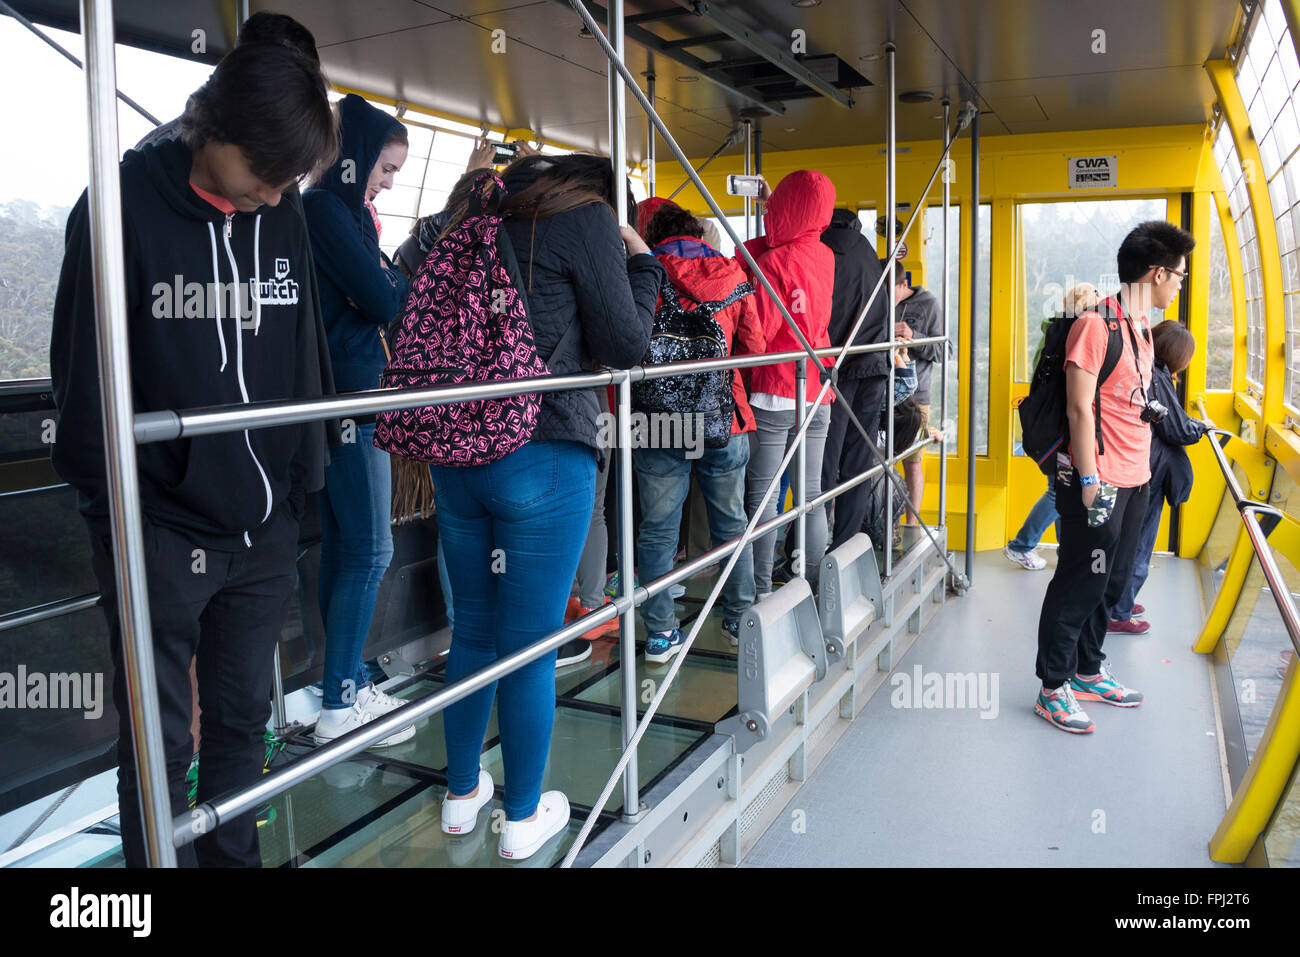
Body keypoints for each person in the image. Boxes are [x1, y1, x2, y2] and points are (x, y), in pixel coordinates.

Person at [49, 42, 338, 866]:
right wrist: (122, 523)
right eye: (266, 176)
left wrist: (294, 488)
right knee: (159, 742)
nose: (275, 198)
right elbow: (82, 386)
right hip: (161, 532)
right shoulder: (117, 209)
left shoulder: (278, 210)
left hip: (262, 528)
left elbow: (299, 349)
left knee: (247, 721)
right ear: (215, 127)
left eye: (287, 183)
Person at [432, 153, 663, 860]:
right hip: (542, 449)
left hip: (456, 450)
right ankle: (523, 817)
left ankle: (461, 793)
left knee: (472, 630)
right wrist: (644, 264)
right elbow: (628, 345)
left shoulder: (476, 209)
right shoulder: (586, 219)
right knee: (529, 645)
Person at [1034, 220, 1194, 734]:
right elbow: (1080, 410)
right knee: (1080, 581)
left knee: (1113, 581)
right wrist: (1088, 482)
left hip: (1135, 475)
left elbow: (1124, 397)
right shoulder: (1095, 325)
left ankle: (1087, 668)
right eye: (1179, 275)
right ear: (1156, 272)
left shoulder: (1141, 327)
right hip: (1097, 479)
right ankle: (1053, 686)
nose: (1181, 283)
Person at [303, 94, 415, 748]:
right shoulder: (326, 211)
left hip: (344, 395)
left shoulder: (339, 213)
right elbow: (382, 297)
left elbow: (376, 292)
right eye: (385, 165)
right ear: (358, 154)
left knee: (346, 547)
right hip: (354, 398)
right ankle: (342, 702)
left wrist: (380, 282)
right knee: (372, 548)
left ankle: (335, 685)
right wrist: (386, 281)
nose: (388, 180)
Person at [634, 201, 764, 662]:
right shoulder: (731, 275)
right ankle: (739, 618)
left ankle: (661, 633)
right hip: (723, 418)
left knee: (657, 530)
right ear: (699, 234)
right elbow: (756, 346)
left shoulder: (642, 274)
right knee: (731, 522)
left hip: (657, 421)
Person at [740, 171, 837, 598]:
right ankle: (813, 585)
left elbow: (759, 333)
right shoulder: (826, 256)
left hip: (773, 390)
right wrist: (769, 209)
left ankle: (761, 591)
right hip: (818, 389)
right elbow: (777, 244)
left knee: (763, 498)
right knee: (810, 495)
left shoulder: (773, 262)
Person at [1107, 321, 1209, 634]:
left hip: (1136, 466)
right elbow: (1176, 429)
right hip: (1148, 472)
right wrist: (1201, 428)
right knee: (1138, 545)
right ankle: (1118, 612)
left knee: (1127, 541)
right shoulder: (1159, 378)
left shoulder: (1143, 368)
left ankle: (1118, 600)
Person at [1004, 282, 1100, 571]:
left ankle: (1065, 550)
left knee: (1062, 488)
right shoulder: (1074, 334)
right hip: (1063, 429)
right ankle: (1021, 545)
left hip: (1052, 426)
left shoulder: (1055, 331)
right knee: (1058, 492)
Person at [820, 208, 890, 554]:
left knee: (823, 462)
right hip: (875, 365)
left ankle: (805, 550)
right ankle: (845, 549)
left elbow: (826, 313)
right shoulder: (867, 251)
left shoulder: (822, 252)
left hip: (838, 369)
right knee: (858, 463)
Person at [889, 261, 944, 520]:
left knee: (912, 462)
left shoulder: (928, 304)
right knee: (876, 463)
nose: (889, 298)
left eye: (893, 291)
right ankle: (881, 519)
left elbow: (943, 351)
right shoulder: (878, 300)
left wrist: (914, 336)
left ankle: (912, 523)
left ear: (904, 284)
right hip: (881, 394)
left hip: (915, 396)